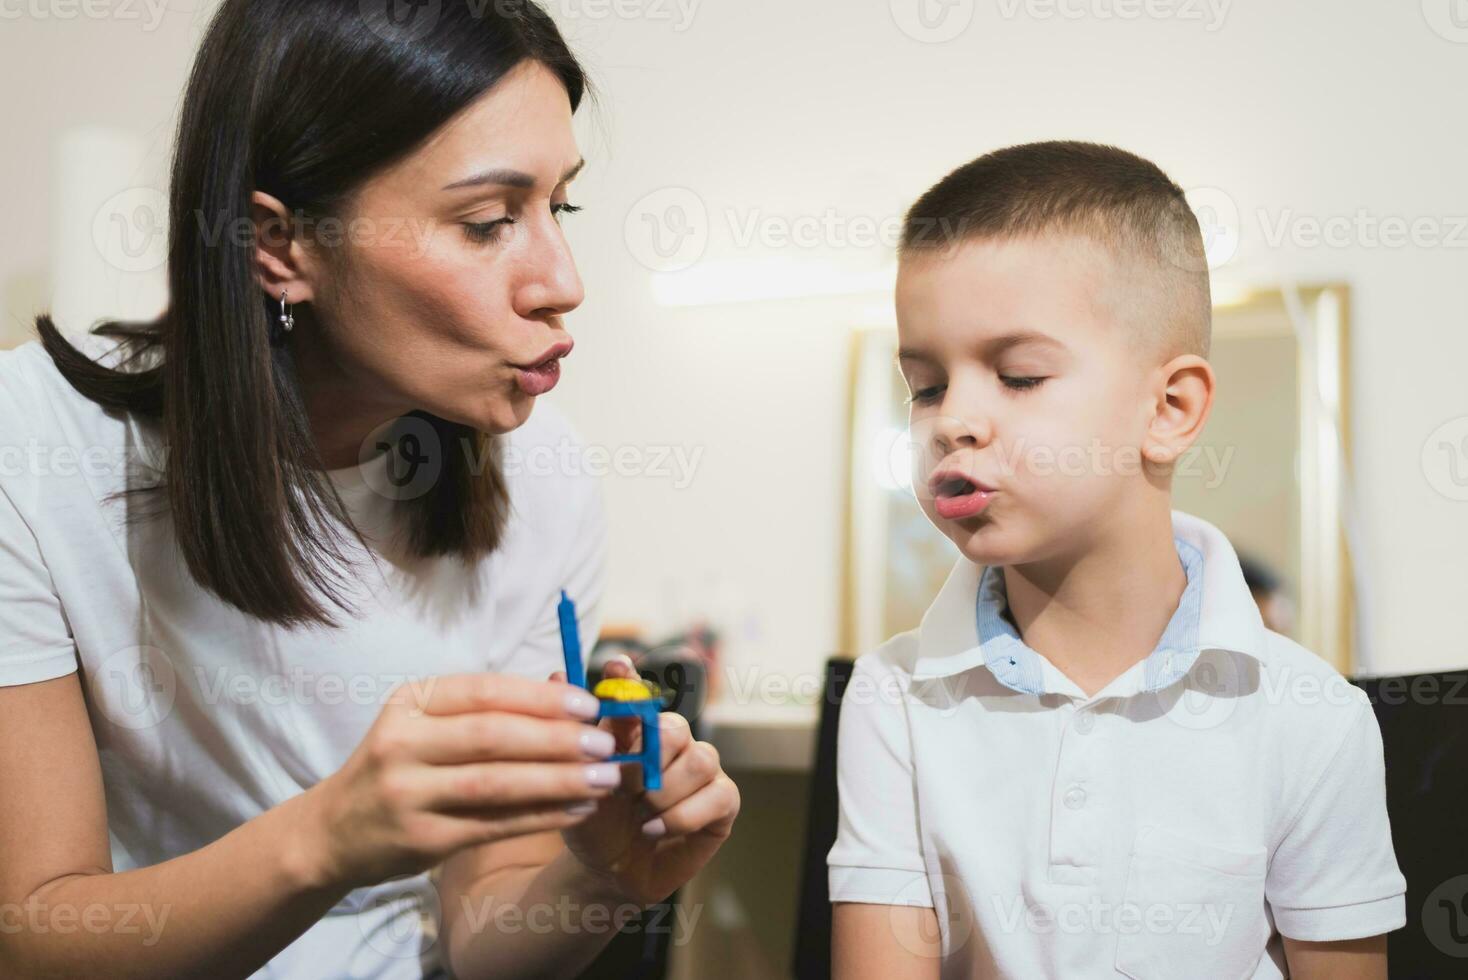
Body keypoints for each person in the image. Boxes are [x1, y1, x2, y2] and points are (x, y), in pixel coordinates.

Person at [0, 2, 738, 977]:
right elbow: (35, 933)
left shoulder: (541, 476)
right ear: (279, 245)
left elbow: (476, 931)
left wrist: (603, 876)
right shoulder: (36, 442)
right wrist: (326, 837)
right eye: (486, 221)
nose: (562, 280)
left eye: (559, 208)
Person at [827, 141, 1404, 979]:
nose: (953, 420)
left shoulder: (1311, 716)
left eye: (1018, 375)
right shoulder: (893, 699)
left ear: (1169, 408)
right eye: (926, 385)